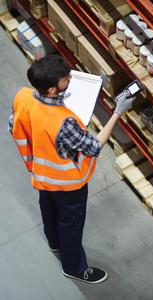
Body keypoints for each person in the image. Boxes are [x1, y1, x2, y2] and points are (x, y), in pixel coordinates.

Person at [8, 55, 135, 284]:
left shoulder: (23, 96)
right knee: (71, 225)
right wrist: (118, 111)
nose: (69, 79)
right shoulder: (64, 123)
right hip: (67, 185)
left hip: (41, 175)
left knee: (47, 209)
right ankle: (74, 268)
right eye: (65, 78)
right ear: (51, 89)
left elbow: (13, 124)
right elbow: (94, 147)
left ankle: (54, 243)